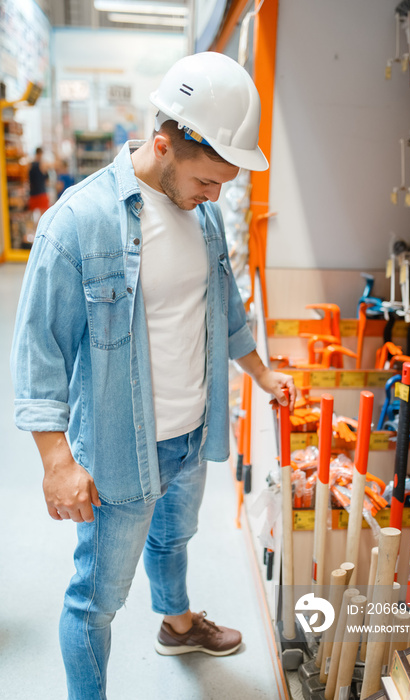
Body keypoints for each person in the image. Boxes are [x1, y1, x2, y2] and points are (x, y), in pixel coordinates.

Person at [11, 52, 296, 700]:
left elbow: (222, 306)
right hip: (117, 453)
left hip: (190, 436)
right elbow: (38, 354)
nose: (215, 195)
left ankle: (177, 622)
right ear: (163, 143)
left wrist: (260, 371)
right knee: (94, 600)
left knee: (174, 538)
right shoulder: (78, 224)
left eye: (224, 183)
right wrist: (58, 462)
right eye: (207, 179)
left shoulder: (203, 216)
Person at [28, 146, 50, 214]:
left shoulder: (30, 165)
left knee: (32, 216)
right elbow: (47, 181)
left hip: (33, 193)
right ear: (40, 154)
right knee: (44, 215)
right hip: (41, 193)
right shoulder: (43, 165)